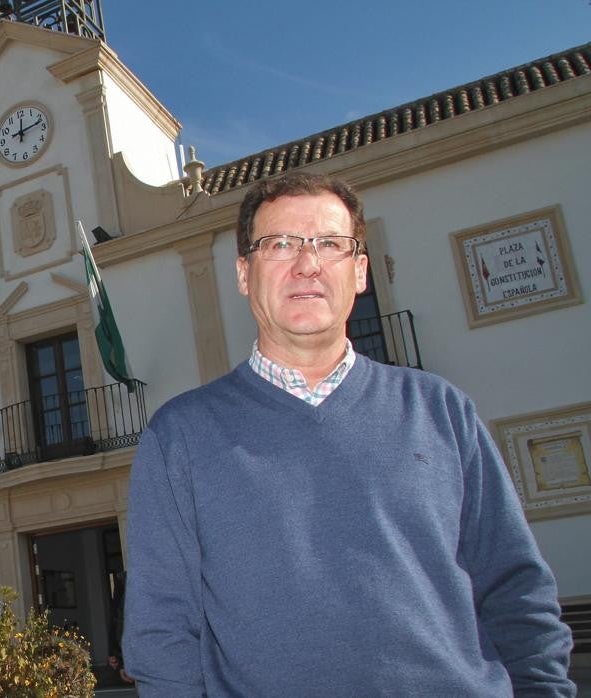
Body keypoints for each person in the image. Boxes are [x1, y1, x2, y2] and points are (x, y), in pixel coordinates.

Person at [122, 172, 574, 696]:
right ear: (244, 272)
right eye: (280, 243)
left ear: (360, 271)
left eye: (331, 244)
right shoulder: (180, 438)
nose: (307, 263)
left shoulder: (442, 410)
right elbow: (162, 631)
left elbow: (516, 587)